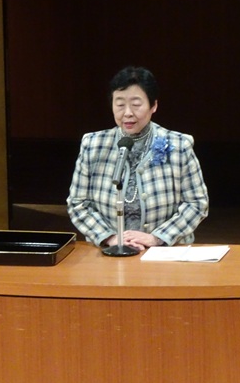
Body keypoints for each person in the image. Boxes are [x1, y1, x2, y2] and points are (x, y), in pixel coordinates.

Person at [67, 66, 209, 250]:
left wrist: (157, 238)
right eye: (120, 105)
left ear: (153, 106)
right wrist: (110, 238)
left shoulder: (179, 145)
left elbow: (197, 203)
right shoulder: (93, 145)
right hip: (108, 251)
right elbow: (77, 203)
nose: (127, 113)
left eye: (136, 105)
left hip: (164, 252)